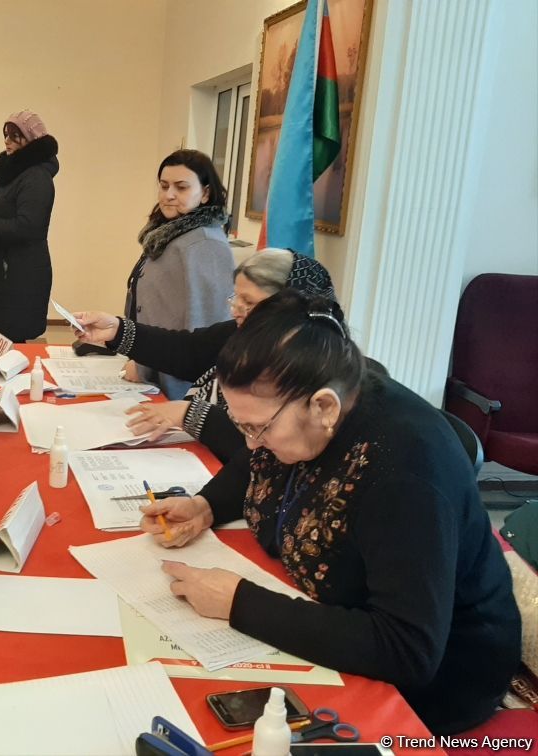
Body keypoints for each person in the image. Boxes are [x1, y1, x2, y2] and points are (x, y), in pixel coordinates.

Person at [139, 289, 521, 735]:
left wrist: (239, 602)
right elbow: (257, 460)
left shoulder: (406, 471)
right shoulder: (311, 400)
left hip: (439, 678)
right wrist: (206, 505)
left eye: (257, 427)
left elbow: (408, 648)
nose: (249, 442)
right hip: (330, 609)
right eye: (241, 425)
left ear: (324, 406)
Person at [76, 249, 335, 463]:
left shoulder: (310, 365)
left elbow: (260, 444)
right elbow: (187, 351)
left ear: (292, 306)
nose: (237, 310)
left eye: (250, 303)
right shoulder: (243, 332)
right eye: (236, 298)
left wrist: (190, 413)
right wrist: (117, 331)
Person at [124, 149, 234, 399]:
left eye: (181, 187)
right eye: (164, 186)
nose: (169, 195)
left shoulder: (206, 243)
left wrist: (145, 364)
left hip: (179, 384)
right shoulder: (171, 234)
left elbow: (207, 327)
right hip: (154, 369)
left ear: (205, 193)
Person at [0, 110, 58, 343]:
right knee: (3, 341)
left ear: (31, 139)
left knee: (12, 342)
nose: (7, 140)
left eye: (15, 135)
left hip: (22, 273)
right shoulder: (12, 172)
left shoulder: (36, 177)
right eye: (6, 134)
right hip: (6, 270)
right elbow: (2, 211)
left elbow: (28, 226)